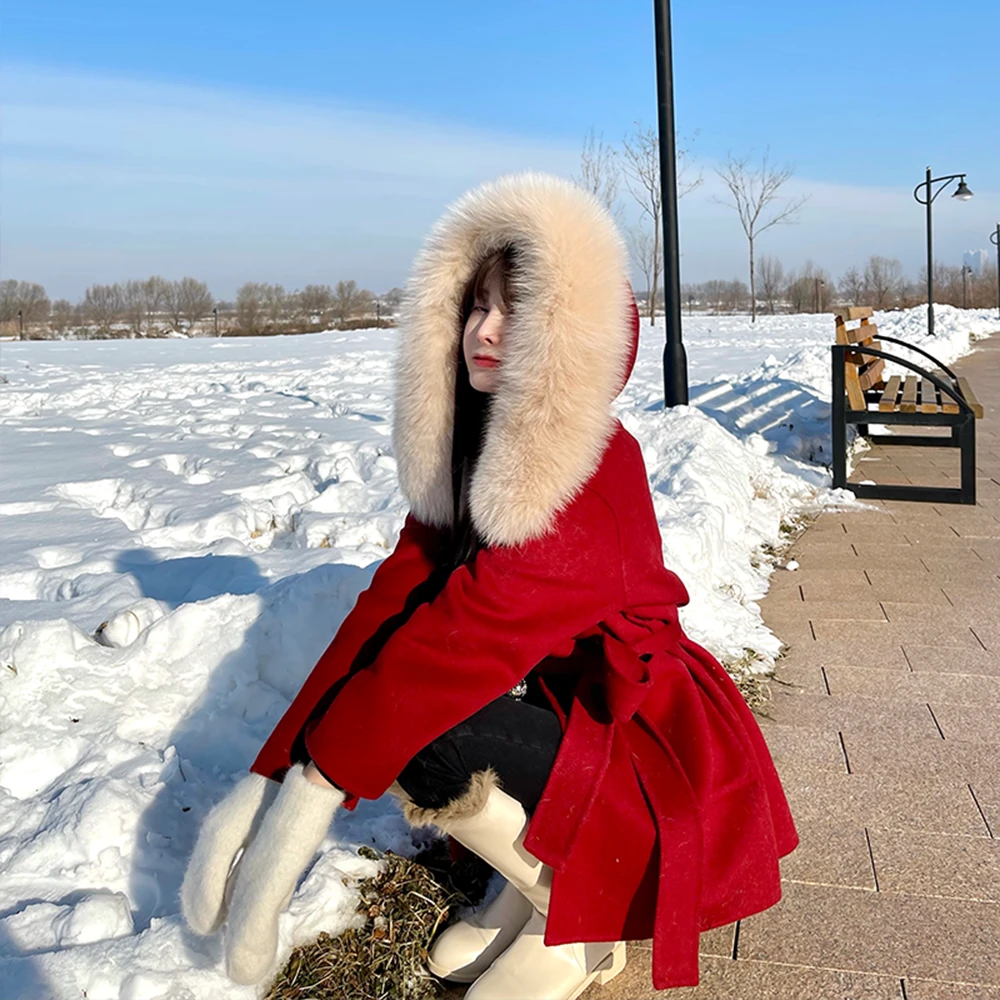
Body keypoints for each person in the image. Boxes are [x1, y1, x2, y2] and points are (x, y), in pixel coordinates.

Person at [180, 173, 799, 998]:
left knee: (417, 724)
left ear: (567, 343)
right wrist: (266, 774)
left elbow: (444, 652)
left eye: (520, 312)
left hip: (639, 736)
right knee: (391, 712)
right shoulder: (477, 451)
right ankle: (537, 880)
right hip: (567, 715)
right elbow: (390, 608)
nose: (486, 329)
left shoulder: (585, 479)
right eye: (476, 305)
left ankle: (582, 915)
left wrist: (307, 802)